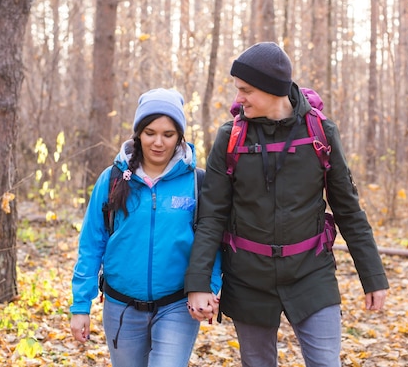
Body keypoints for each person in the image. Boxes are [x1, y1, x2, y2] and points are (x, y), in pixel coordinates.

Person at [184, 42, 389, 367]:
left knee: (325, 362)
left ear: (272, 89)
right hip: (248, 276)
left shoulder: (321, 132)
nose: (238, 99)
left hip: (311, 272)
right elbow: (211, 216)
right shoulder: (230, 137)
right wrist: (198, 283)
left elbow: (348, 210)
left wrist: (373, 275)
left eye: (246, 90)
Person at [70, 88, 222, 367]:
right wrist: (81, 305)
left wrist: (210, 286)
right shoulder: (114, 178)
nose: (158, 142)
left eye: (168, 134)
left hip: (177, 304)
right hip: (121, 307)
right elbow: (92, 244)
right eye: (150, 132)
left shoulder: (197, 181)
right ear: (138, 132)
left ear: (180, 136)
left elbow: (211, 239)